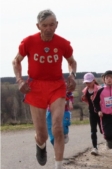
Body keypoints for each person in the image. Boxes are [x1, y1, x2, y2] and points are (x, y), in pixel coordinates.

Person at [12, 9, 77, 169]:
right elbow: (16, 61)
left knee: (57, 127)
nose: (49, 28)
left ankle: (58, 165)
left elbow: (71, 61)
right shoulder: (28, 42)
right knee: (42, 134)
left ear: (56, 25)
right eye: (45, 25)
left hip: (56, 85)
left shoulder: (63, 43)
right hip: (35, 87)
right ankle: (40, 145)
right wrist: (20, 80)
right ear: (38, 26)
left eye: (52, 25)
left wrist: (72, 75)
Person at [81, 73, 102, 155]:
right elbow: (88, 101)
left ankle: (109, 140)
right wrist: (84, 98)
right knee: (93, 130)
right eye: (86, 83)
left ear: (94, 81)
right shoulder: (85, 90)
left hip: (100, 112)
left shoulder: (100, 89)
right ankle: (95, 148)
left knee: (102, 130)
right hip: (91, 112)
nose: (88, 84)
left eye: (89, 82)